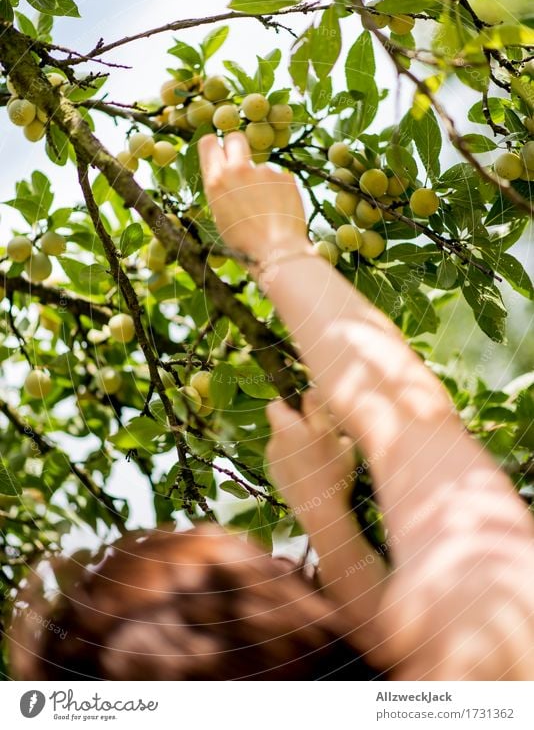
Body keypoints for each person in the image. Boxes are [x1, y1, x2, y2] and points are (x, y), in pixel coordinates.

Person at [8, 131, 534, 681]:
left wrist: (326, 514)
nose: (280, 556)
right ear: (253, 626)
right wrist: (280, 247)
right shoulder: (482, 662)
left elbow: (383, 638)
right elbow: (419, 438)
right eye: (250, 566)